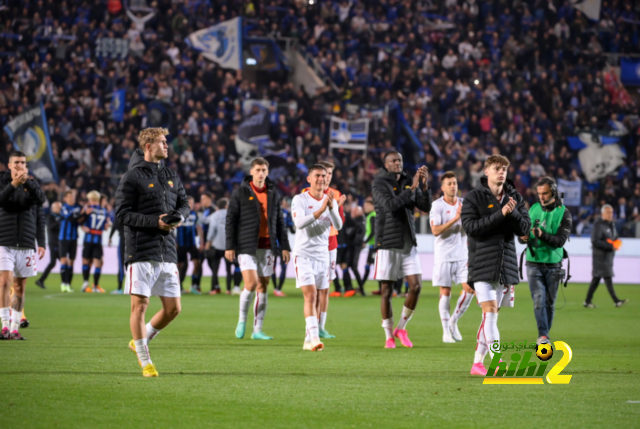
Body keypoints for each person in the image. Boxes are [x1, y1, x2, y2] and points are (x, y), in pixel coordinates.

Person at [116, 127, 190, 377]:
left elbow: (184, 203)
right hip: (141, 251)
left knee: (173, 309)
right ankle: (145, 359)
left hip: (167, 251)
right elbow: (122, 214)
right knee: (140, 306)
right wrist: (154, 222)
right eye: (162, 142)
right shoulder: (132, 177)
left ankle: (139, 339)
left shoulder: (171, 175)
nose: (167, 146)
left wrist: (179, 216)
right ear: (148, 146)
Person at [461, 155, 530, 376]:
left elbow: (525, 230)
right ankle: (498, 362)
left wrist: (513, 212)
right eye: (497, 168)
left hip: (505, 265)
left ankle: (477, 363)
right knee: (490, 314)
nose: (502, 172)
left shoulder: (515, 197)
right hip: (482, 263)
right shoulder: (474, 198)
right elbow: (472, 228)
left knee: (490, 317)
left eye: (504, 169)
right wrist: (501, 213)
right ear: (487, 172)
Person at [226, 158, 291, 341]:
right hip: (247, 246)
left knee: (263, 286)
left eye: (264, 170)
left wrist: (284, 246)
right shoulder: (240, 193)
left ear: (267, 172)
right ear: (251, 171)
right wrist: (230, 245)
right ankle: (241, 320)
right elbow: (231, 220)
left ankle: (257, 330)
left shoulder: (273, 193)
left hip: (268, 247)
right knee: (251, 284)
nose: (261, 173)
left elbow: (280, 221)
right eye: (258, 170)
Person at [372, 151, 432, 349]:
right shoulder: (379, 183)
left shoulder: (407, 180)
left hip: (408, 243)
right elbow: (390, 205)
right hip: (388, 243)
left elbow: (424, 207)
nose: (398, 163)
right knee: (386, 291)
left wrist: (423, 186)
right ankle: (389, 336)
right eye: (393, 161)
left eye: (400, 160)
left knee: (416, 286)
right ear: (386, 164)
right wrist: (412, 187)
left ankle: (401, 328)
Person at [291, 164, 343, 351]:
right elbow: (299, 223)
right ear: (309, 179)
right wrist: (321, 210)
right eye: (317, 176)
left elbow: (338, 225)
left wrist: (332, 208)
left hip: (323, 256)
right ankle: (314, 339)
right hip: (304, 255)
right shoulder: (300, 199)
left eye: (324, 176)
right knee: (310, 296)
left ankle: (308, 339)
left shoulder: (331, 200)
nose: (321, 179)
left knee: (320, 298)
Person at [519, 177, 572, 345]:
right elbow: (523, 237)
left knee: (550, 303)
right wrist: (523, 237)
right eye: (539, 193)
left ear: (554, 192)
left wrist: (542, 234)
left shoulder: (564, 213)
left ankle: (544, 334)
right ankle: (543, 336)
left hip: (554, 264)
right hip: (533, 262)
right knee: (538, 299)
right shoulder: (533, 209)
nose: (541, 197)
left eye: (545, 193)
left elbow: (561, 241)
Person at [0, 151, 46, 340]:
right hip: (4, 241)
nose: (20, 165)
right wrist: (13, 185)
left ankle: (15, 327)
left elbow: (41, 206)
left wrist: (41, 242)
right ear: (9, 165)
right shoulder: (2, 182)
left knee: (20, 287)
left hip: (26, 243)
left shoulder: (33, 184)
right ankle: (4, 326)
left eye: (23, 162)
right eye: (16, 162)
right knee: (4, 282)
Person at [430, 171, 475, 343]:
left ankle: (453, 320)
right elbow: (435, 231)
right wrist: (456, 219)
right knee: (445, 291)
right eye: (449, 183)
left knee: (470, 289)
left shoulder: (465, 204)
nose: (453, 186)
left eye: (454, 183)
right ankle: (445, 332)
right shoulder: (437, 206)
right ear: (442, 188)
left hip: (463, 255)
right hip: (444, 256)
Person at [313, 161, 345, 337]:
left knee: (325, 288)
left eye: (330, 174)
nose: (327, 177)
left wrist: (338, 208)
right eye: (324, 174)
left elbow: (339, 222)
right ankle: (311, 325)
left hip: (331, 243)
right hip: (314, 243)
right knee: (313, 289)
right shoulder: (307, 193)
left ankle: (321, 327)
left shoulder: (336, 194)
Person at [584, 205, 628, 308]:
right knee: (608, 276)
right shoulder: (598, 225)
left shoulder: (611, 225)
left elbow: (615, 237)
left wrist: (618, 242)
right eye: (608, 212)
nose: (610, 214)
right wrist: (610, 246)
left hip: (608, 257)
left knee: (596, 279)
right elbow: (595, 241)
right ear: (602, 214)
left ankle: (587, 302)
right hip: (600, 257)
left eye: (611, 212)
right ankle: (616, 301)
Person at [205, 198, 242, 295]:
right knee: (228, 268)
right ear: (226, 206)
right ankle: (229, 290)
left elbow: (211, 229)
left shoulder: (214, 215)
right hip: (229, 246)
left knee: (215, 268)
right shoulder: (232, 215)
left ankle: (214, 288)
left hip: (216, 245)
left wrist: (208, 241)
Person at [81, 191, 111, 293]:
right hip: (98, 240)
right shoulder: (104, 211)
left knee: (86, 261)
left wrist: (83, 226)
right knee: (98, 263)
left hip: (88, 239)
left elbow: (81, 221)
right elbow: (106, 227)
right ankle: (95, 286)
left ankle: (85, 283)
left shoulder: (88, 209)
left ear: (91, 199)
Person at [59, 190, 86, 292]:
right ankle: (63, 284)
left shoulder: (77, 208)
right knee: (64, 261)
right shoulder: (64, 208)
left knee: (71, 262)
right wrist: (83, 214)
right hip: (63, 239)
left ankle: (68, 284)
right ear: (65, 198)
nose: (72, 199)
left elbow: (81, 220)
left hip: (74, 239)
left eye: (73, 197)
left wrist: (84, 215)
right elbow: (71, 219)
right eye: (70, 197)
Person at [176, 196, 203, 294]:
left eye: (192, 203)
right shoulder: (178, 213)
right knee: (180, 265)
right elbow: (173, 228)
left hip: (192, 243)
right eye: (189, 203)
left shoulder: (195, 214)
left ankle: (193, 285)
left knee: (197, 263)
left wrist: (201, 243)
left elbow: (199, 228)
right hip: (181, 243)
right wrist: (174, 242)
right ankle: (179, 286)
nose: (191, 204)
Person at [340, 205, 366, 296]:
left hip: (355, 248)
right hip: (350, 248)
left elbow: (358, 237)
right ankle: (350, 287)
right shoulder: (354, 222)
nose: (353, 213)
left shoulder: (360, 222)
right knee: (348, 267)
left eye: (355, 211)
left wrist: (349, 240)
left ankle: (361, 289)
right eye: (352, 211)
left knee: (353, 268)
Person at [271, 197, 295, 297]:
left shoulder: (271, 212)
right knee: (283, 266)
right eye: (287, 201)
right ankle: (278, 289)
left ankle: (276, 288)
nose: (288, 203)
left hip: (272, 244)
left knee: (272, 266)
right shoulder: (287, 213)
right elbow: (292, 230)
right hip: (283, 244)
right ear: (282, 202)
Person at [35, 201, 62, 289]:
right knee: (56, 262)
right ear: (53, 208)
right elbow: (50, 227)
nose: (60, 209)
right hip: (53, 243)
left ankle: (41, 280)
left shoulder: (60, 217)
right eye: (58, 207)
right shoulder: (51, 217)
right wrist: (58, 222)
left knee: (56, 262)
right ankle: (65, 283)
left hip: (59, 242)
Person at [198, 193, 216, 292]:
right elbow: (199, 226)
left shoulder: (214, 210)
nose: (202, 201)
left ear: (210, 199)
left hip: (211, 242)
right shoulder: (201, 210)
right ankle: (197, 286)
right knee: (200, 262)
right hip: (202, 241)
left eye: (204, 199)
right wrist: (201, 241)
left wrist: (209, 241)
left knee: (212, 263)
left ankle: (215, 286)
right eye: (201, 199)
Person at [361, 198, 379, 294]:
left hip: (374, 246)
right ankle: (361, 286)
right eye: (365, 206)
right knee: (370, 266)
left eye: (367, 206)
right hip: (372, 246)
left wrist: (365, 241)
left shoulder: (372, 216)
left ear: (373, 206)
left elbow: (373, 232)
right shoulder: (371, 216)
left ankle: (361, 286)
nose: (365, 207)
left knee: (375, 267)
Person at [108, 216, 126, 294]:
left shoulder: (120, 213)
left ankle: (119, 288)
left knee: (121, 265)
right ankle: (135, 288)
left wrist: (110, 237)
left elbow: (115, 225)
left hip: (122, 241)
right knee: (133, 265)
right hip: (132, 241)